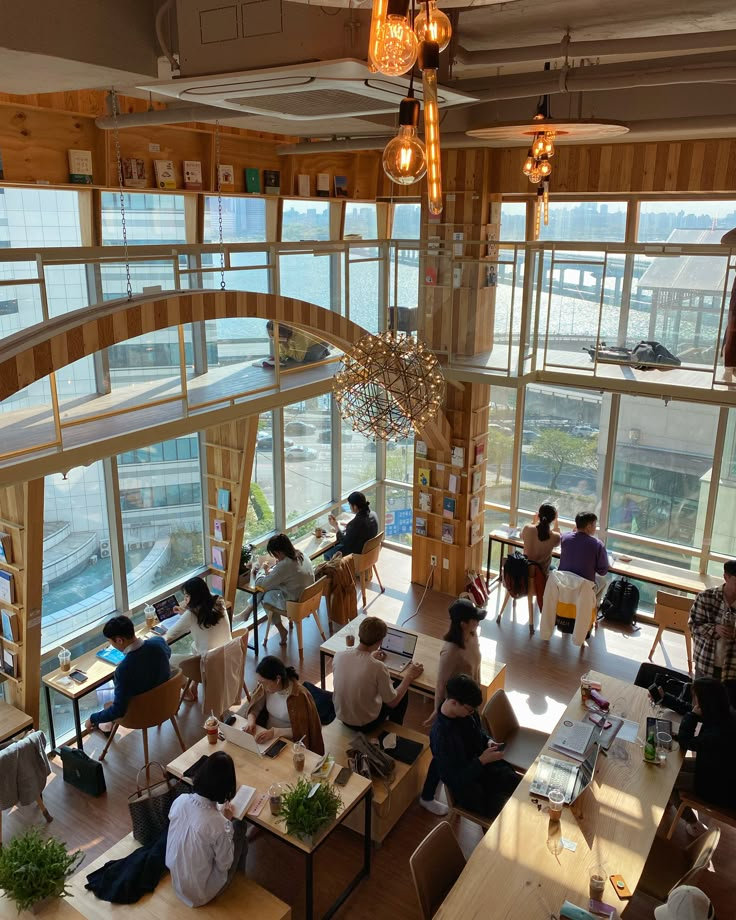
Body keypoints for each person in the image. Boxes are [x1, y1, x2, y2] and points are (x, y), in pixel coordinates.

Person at [419, 598, 487, 815]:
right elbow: (441, 685)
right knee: (442, 756)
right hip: (455, 709)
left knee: (458, 751)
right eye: (473, 620)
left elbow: (476, 666)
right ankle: (427, 796)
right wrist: (439, 713)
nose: (477, 623)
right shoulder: (450, 651)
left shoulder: (472, 637)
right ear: (462, 624)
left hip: (470, 704)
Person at [430, 674, 520, 820]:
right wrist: (481, 761)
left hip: (489, 772)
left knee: (524, 792)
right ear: (453, 702)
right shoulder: (441, 737)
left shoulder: (467, 712)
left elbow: (479, 732)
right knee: (513, 815)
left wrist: (488, 741)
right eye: (470, 710)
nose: (472, 713)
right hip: (473, 791)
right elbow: (453, 780)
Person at [165, 751, 248, 907]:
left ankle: (238, 880)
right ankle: (238, 882)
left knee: (219, 839)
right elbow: (225, 863)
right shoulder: (219, 825)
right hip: (201, 893)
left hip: (177, 881)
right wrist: (226, 821)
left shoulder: (180, 800)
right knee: (241, 827)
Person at [331, 615, 423, 732]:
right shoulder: (378, 667)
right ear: (380, 641)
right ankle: (394, 733)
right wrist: (409, 676)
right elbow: (392, 702)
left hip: (342, 717)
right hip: (366, 724)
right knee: (401, 687)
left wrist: (370, 657)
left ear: (359, 634)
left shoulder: (339, 656)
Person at [672, 677, 736, 835]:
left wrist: (692, 717)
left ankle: (693, 824)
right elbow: (689, 709)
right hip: (718, 770)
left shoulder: (717, 734)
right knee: (672, 766)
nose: (694, 701)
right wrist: (665, 698)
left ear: (705, 703)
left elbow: (686, 742)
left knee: (668, 779)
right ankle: (669, 802)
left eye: (696, 698)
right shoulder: (725, 714)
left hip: (718, 787)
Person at [85, 615, 171, 733]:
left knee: (109, 704)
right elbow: (166, 656)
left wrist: (92, 718)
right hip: (167, 701)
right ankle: (106, 724)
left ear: (120, 640)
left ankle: (105, 725)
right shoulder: (159, 642)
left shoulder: (123, 669)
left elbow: (119, 710)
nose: (111, 645)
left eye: (110, 642)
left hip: (142, 714)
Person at [235, 655, 324, 755]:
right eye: (259, 682)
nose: (261, 686)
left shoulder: (298, 696)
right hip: (266, 736)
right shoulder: (266, 687)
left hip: (289, 742)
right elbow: (255, 708)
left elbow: (304, 731)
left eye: (263, 682)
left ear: (277, 679)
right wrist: (251, 722)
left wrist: (274, 733)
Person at [166, 576, 231, 700]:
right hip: (227, 655)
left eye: (186, 596)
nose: (184, 599)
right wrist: (186, 610)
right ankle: (194, 685)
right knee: (194, 646)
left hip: (208, 665)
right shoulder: (219, 602)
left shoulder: (191, 615)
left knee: (168, 661)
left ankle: (187, 694)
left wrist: (186, 613)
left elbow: (170, 634)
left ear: (194, 597)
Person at [688, 560, 736, 703]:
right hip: (706, 663)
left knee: (728, 713)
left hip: (733, 670)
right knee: (699, 707)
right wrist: (714, 628)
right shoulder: (706, 597)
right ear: (726, 577)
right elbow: (693, 626)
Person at [255, 533, 315, 645]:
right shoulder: (301, 554)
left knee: (265, 595)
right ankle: (248, 609)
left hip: (296, 604)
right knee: (271, 587)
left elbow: (261, 584)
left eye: (275, 555)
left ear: (277, 552)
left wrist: (262, 570)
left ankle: (282, 630)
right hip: (310, 599)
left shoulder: (285, 565)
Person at [558, 511, 609, 600]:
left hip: (564, 585)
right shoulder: (598, 545)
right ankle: (592, 609)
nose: (595, 528)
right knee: (602, 581)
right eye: (594, 525)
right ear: (588, 527)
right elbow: (603, 571)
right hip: (583, 589)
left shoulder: (564, 538)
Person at [324, 491, 379, 561]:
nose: (350, 507)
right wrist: (350, 526)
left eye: (350, 505)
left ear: (355, 506)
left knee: (327, 554)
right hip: (369, 553)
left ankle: (338, 571)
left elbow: (344, 542)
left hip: (358, 555)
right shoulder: (374, 514)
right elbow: (362, 529)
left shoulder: (356, 523)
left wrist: (336, 526)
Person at [263, 321, 329, 369]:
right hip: (305, 343)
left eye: (273, 335)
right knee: (293, 357)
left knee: (307, 357)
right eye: (270, 335)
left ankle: (324, 352)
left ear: (282, 333)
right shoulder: (279, 337)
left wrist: (285, 346)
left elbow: (299, 358)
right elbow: (283, 354)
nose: (272, 338)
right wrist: (280, 357)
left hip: (321, 341)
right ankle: (317, 352)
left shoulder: (299, 335)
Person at [521, 502, 560, 575]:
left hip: (525, 571)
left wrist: (533, 522)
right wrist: (556, 523)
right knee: (555, 568)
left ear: (538, 515)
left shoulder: (527, 528)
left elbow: (521, 536)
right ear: (554, 518)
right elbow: (558, 541)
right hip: (542, 576)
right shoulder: (555, 536)